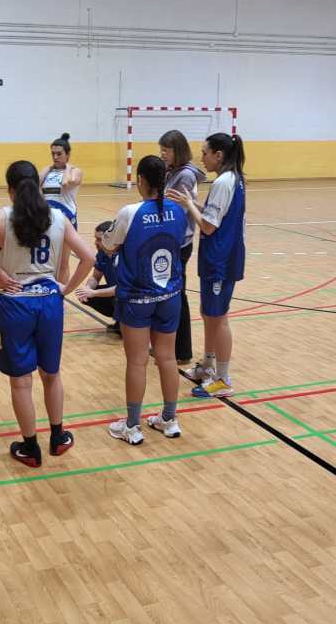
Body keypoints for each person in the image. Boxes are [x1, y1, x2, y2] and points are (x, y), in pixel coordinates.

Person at [0, 160, 94, 468]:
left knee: (21, 382)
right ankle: (58, 437)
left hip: (16, 302)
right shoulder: (58, 217)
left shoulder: (1, 216)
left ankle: (30, 447)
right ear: (38, 187)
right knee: (51, 375)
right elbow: (89, 257)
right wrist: (66, 289)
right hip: (49, 301)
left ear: (10, 189)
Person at [101, 156, 187, 444]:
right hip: (170, 294)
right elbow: (181, 243)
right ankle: (169, 419)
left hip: (137, 297)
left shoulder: (130, 212)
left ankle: (132, 426)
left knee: (137, 362)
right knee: (167, 357)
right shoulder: (178, 210)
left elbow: (109, 245)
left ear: (140, 180)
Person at [166, 132, 246, 399]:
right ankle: (208, 366)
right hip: (218, 257)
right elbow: (215, 215)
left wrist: (189, 204)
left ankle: (222, 379)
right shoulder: (231, 179)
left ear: (218, 155)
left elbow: (209, 226)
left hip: (221, 259)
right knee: (208, 312)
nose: (201, 158)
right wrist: (191, 204)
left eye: (205, 152)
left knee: (218, 317)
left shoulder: (224, 182)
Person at [158, 130, 206, 364]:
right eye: (161, 150)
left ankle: (183, 350)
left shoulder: (185, 175)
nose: (162, 154)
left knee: (178, 295)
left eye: (166, 150)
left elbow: (180, 209)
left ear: (177, 150)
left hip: (180, 242)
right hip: (172, 240)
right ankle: (170, 346)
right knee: (170, 293)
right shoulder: (172, 171)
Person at [40, 133, 83, 284]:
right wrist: (48, 168)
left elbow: (66, 183)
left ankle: (61, 294)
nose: (55, 157)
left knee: (63, 262)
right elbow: (34, 184)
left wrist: (68, 167)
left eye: (59, 154)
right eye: (53, 154)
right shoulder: (48, 170)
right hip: (46, 219)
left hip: (66, 218)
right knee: (47, 260)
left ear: (68, 154)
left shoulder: (75, 171)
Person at [75, 220, 120, 333]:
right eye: (95, 239)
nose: (95, 243)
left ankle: (126, 323)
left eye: (99, 239)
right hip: (115, 292)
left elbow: (122, 288)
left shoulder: (123, 256)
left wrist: (94, 293)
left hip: (129, 295)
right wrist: (87, 289)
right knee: (86, 295)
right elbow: (95, 277)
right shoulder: (102, 253)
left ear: (110, 239)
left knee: (119, 299)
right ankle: (120, 321)